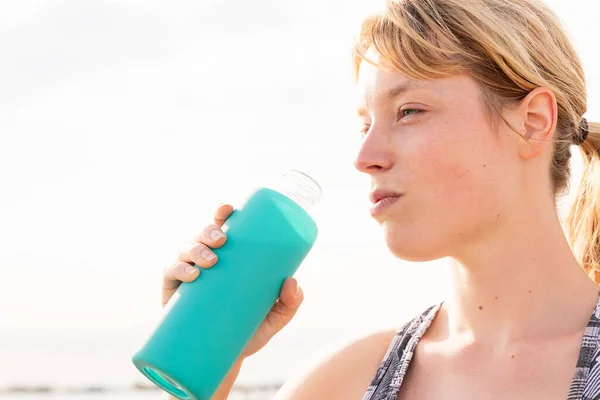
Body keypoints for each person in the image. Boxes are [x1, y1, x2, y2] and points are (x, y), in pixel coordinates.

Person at [162, 0, 600, 398]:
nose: (363, 158)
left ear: (532, 122)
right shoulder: (340, 383)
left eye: (409, 111)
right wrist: (210, 355)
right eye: (365, 123)